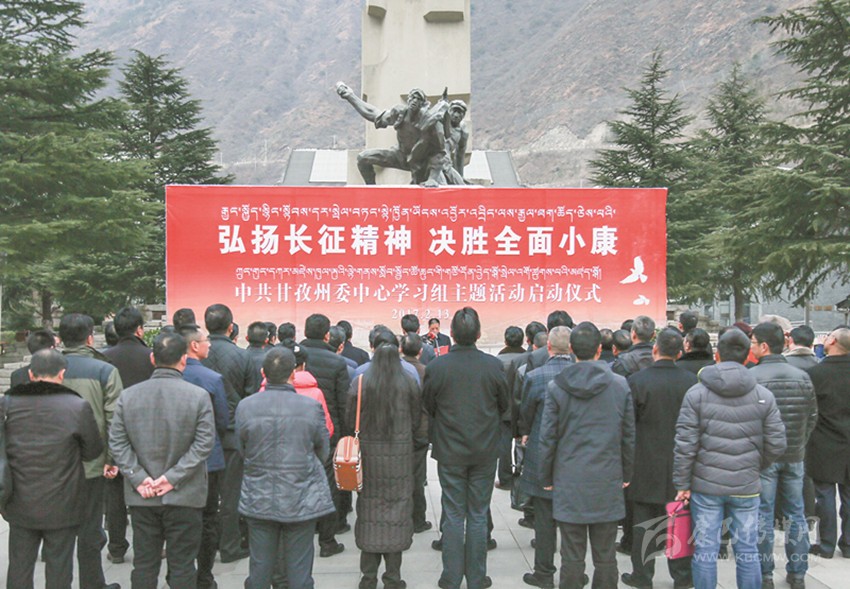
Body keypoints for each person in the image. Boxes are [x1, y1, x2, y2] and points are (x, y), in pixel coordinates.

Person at [673, 328, 787, 589]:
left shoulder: (696, 394)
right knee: (747, 549)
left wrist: (682, 483)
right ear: (748, 356)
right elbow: (777, 443)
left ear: (717, 354)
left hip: (706, 485)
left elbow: (685, 444)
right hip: (746, 485)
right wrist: (756, 464)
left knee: (705, 549)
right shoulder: (763, 395)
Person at [109, 331, 215, 589]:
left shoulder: (128, 396)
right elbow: (204, 444)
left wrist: (138, 477)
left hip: (143, 494)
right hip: (185, 493)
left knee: (144, 563)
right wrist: (172, 478)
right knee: (183, 564)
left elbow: (117, 442)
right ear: (184, 359)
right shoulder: (198, 396)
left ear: (153, 358)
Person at [539, 321, 635, 589]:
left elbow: (548, 437)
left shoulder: (557, 387)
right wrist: (627, 473)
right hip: (607, 475)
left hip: (569, 478)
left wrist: (546, 476)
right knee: (606, 555)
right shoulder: (620, 385)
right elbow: (628, 435)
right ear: (599, 349)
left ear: (571, 349)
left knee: (571, 555)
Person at [423, 307, 509, 589]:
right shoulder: (493, 366)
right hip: (484, 449)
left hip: (450, 449)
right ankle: (476, 577)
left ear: (452, 335)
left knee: (453, 513)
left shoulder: (438, 366)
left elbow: (429, 405)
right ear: (479, 334)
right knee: (478, 513)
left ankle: (450, 577)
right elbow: (504, 405)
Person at [3, 349, 103, 589]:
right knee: (60, 566)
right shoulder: (77, 406)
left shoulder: (7, 404)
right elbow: (93, 451)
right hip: (63, 499)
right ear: (62, 374)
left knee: (19, 565)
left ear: (30, 374)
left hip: (19, 498)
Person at [236, 347, 335, 589]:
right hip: (300, 494)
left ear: (263, 373)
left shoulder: (246, 406)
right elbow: (323, 450)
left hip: (259, 494)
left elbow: (241, 448)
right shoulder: (310, 407)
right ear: (294, 373)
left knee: (260, 566)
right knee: (299, 568)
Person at [620, 329, 696, 589]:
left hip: (645, 460)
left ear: (655, 349)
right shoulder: (691, 382)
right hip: (681, 462)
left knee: (643, 522)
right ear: (680, 352)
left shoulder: (637, 381)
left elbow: (627, 425)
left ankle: (642, 576)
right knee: (680, 521)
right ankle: (683, 578)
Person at [346, 344, 421, 589]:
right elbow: (416, 419)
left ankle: (368, 578)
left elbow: (350, 420)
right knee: (397, 514)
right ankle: (393, 578)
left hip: (369, 458)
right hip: (400, 457)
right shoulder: (408, 381)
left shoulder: (360, 382)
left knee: (368, 513)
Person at [749, 322, 817, 589]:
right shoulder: (802, 376)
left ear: (764, 346)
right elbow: (812, 416)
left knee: (763, 514)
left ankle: (765, 573)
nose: (751, 347)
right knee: (795, 513)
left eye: (754, 343)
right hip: (794, 454)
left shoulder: (752, 377)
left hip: (764, 456)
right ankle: (798, 573)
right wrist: (800, 442)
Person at [59, 313, 123, 589]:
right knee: (90, 527)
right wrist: (111, 458)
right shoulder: (104, 370)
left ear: (60, 338)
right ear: (89, 338)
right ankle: (92, 583)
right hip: (92, 462)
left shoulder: (43, 368)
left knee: (58, 531)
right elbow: (114, 419)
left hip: (51, 465)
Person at [202, 303, 259, 563]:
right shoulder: (242, 356)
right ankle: (230, 546)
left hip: (201, 433)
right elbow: (251, 397)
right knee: (231, 493)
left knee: (204, 494)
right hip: (233, 433)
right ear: (230, 327)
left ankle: (206, 545)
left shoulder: (196, 354)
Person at [518, 326, 573, 589]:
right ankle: (574, 572)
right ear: (571, 348)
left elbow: (526, 412)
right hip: (575, 454)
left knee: (543, 518)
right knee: (573, 519)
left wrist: (524, 434)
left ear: (548, 347)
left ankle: (544, 572)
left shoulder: (536, 376)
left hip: (543, 452)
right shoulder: (581, 375)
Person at [102, 306, 155, 565]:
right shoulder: (151, 357)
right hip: (146, 434)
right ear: (140, 330)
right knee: (147, 489)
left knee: (114, 496)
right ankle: (150, 546)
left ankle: (116, 547)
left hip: (114, 433)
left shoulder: (103, 358)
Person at [179, 325, 230, 589]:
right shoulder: (211, 378)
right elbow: (222, 421)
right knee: (209, 518)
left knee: (179, 520)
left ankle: (180, 574)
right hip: (208, 460)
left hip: (173, 461)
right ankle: (205, 576)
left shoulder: (170, 377)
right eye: (206, 340)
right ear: (194, 346)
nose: (209, 344)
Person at [300, 313, 350, 555]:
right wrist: (346, 435)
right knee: (329, 483)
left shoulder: (293, 357)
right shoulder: (337, 362)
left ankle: (304, 529)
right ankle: (328, 539)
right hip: (329, 430)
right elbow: (343, 403)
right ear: (327, 335)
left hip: (296, 428)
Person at [337, 83, 443, 185]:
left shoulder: (430, 122)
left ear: (422, 104)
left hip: (422, 162)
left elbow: (439, 152)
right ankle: (371, 190)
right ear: (408, 100)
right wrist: (350, 96)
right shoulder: (400, 113)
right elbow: (373, 113)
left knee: (429, 189)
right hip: (400, 156)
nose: (415, 101)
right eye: (413, 97)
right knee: (363, 158)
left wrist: (433, 178)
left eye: (418, 99)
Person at [805, 327, 850, 559]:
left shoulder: (816, 374)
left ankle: (826, 544)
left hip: (823, 440)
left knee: (824, 495)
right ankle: (848, 544)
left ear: (832, 341)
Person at [401, 333, 433, 534]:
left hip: (400, 430)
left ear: (401, 350)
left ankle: (401, 517)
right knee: (418, 475)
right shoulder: (425, 371)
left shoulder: (398, 371)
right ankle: (418, 519)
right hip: (421, 429)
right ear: (420, 351)